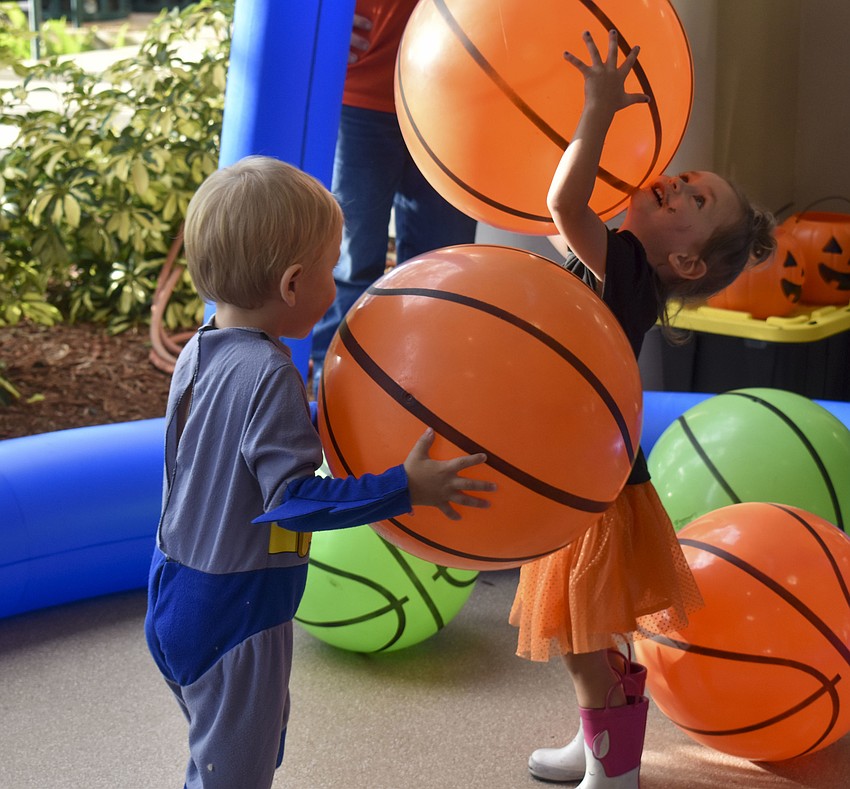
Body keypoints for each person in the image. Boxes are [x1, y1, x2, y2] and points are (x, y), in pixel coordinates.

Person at [144, 155, 496, 789]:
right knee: (237, 773)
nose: (338, 286)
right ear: (292, 284)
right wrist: (404, 488)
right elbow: (295, 503)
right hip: (238, 611)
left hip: (173, 592)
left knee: (218, 754)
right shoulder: (272, 372)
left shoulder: (199, 349)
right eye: (332, 271)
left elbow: (231, 445)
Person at [509, 31, 776, 788]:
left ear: (684, 262)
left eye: (697, 201)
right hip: (584, 471)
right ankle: (598, 741)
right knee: (585, 632)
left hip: (593, 485)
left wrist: (595, 113)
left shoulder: (626, 269)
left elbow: (563, 200)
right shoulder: (620, 259)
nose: (679, 185)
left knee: (577, 633)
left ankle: (613, 763)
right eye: (689, 177)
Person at [309, 0, 478, 392]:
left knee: (443, 270)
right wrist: (322, 18)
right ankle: (331, 395)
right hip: (362, 95)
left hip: (453, 94)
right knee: (348, 263)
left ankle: (428, 392)